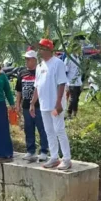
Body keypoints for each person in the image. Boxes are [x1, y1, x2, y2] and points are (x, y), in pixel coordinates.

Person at [31, 39, 72, 170]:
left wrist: (59, 102)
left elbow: (61, 83)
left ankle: (66, 159)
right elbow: (37, 86)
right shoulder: (39, 66)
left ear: (49, 49)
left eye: (42, 48)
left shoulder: (57, 63)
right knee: (49, 131)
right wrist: (32, 103)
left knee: (59, 130)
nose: (39, 51)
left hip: (55, 105)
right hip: (44, 105)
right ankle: (54, 157)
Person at [16, 50, 49, 162]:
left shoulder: (40, 71)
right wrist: (17, 104)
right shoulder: (22, 73)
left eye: (29, 59)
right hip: (26, 106)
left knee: (42, 128)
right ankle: (31, 151)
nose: (27, 61)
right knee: (28, 129)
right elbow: (18, 90)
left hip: (39, 106)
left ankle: (44, 151)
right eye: (26, 59)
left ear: (35, 60)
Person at [64, 45, 83, 120]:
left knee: (77, 99)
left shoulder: (80, 58)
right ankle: (69, 114)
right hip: (71, 82)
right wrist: (66, 84)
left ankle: (75, 113)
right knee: (73, 99)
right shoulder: (68, 59)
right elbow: (65, 72)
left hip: (79, 82)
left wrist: (82, 83)